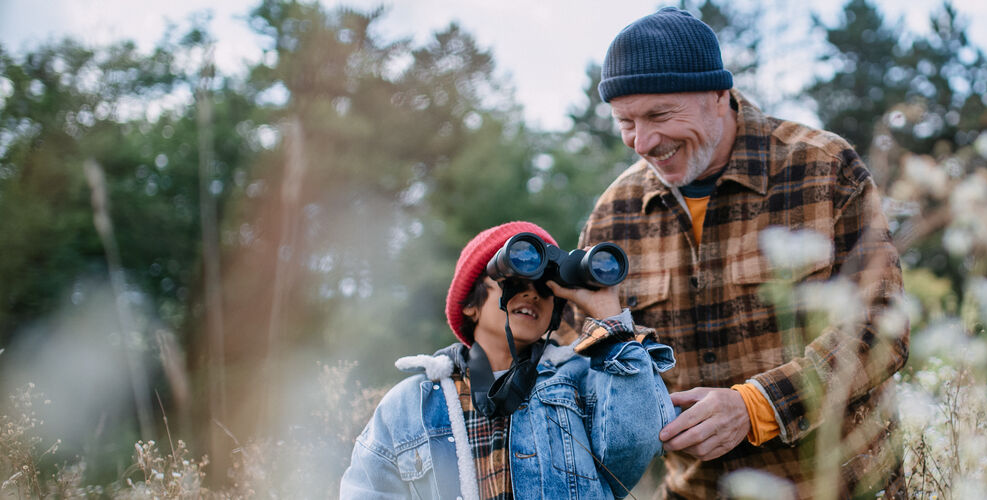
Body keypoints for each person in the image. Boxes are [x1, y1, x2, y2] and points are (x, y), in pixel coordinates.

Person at [581, 7, 910, 499]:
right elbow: (582, 357)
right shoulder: (614, 214)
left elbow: (881, 327)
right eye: (625, 122)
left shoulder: (822, 168)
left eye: (659, 115)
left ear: (719, 94)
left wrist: (757, 406)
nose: (643, 142)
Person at [340, 221, 676, 499]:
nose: (532, 293)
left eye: (546, 288)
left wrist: (610, 318)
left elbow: (635, 446)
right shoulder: (412, 404)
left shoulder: (584, 380)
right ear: (469, 305)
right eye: (513, 283)